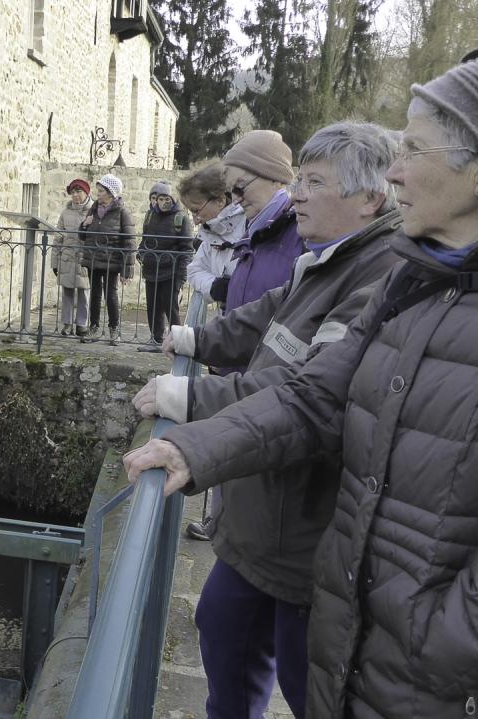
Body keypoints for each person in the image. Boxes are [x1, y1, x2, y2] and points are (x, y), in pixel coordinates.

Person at [125, 45, 478, 718]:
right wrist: (196, 446)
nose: (394, 172)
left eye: (413, 149)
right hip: (354, 641)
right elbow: (316, 395)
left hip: (456, 681)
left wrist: (434, 641)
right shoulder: (415, 276)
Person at [132, 121, 404, 719]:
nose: (296, 193)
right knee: (222, 628)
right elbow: (262, 322)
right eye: (297, 179)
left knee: (308, 683)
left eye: (313, 182)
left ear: (370, 199)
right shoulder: (327, 260)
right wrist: (193, 338)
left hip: (306, 531)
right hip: (263, 521)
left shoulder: (377, 277)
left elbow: (301, 392)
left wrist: (187, 401)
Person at [211, 130, 305, 375]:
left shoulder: (301, 236)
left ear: (274, 178)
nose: (235, 200)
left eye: (240, 188)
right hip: (238, 384)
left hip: (265, 390)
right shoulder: (254, 231)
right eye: (231, 191)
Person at [181, 164, 246, 320]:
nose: (195, 221)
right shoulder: (211, 231)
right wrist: (214, 286)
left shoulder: (250, 224)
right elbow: (195, 270)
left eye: (196, 210)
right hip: (229, 318)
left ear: (220, 200)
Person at [137, 180, 195, 351]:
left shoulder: (181, 219)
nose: (162, 203)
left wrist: (182, 275)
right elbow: (145, 238)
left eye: (166, 199)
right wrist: (141, 253)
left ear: (173, 199)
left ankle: (177, 343)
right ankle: (155, 339)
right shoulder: (150, 215)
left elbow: (186, 249)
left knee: (171, 309)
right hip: (151, 268)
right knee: (153, 307)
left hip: (171, 271)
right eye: (159, 199)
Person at [80, 174, 136, 345]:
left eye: (101, 191)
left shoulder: (122, 212)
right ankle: (94, 328)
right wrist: (84, 225)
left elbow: (129, 242)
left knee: (110, 294)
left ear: (111, 193)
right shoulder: (93, 209)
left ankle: (114, 330)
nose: (98, 194)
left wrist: (127, 270)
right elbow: (82, 236)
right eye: (98, 190)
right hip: (93, 258)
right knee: (95, 294)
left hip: (112, 261)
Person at [53, 179, 93, 337]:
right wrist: (55, 262)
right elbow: (58, 238)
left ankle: (82, 324)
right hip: (68, 258)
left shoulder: (93, 211)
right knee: (67, 291)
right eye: (73, 192)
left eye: (79, 191)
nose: (75, 195)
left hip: (84, 258)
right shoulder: (66, 212)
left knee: (84, 292)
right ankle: (67, 323)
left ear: (86, 193)